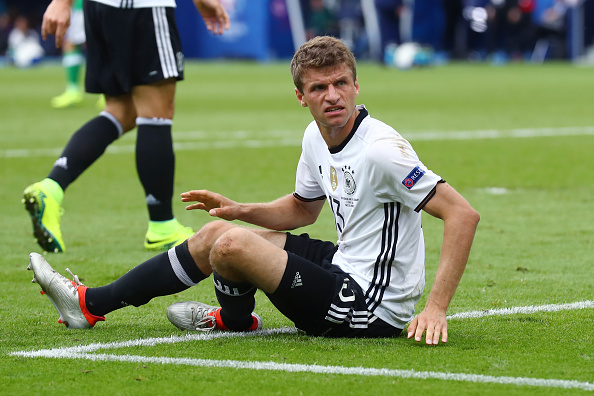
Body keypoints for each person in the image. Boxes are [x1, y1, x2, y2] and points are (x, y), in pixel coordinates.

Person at [27, 36, 480, 344]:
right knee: (212, 235)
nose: (333, 96)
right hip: (342, 266)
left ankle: (231, 320)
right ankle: (89, 303)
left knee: (232, 247)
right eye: (319, 88)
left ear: (356, 84)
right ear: (301, 97)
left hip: (371, 306)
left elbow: (463, 214)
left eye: (342, 83)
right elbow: (303, 210)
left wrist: (436, 308)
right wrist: (239, 208)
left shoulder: (382, 149)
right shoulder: (314, 137)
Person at [22, 0, 230, 253]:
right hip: (144, 7)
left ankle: (51, 188)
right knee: (157, 114)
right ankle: (162, 226)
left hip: (99, 8)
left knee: (122, 111)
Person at [50, 0, 85, 108]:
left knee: (71, 43)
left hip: (82, 5)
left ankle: (73, 91)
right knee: (103, 42)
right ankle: (109, 92)